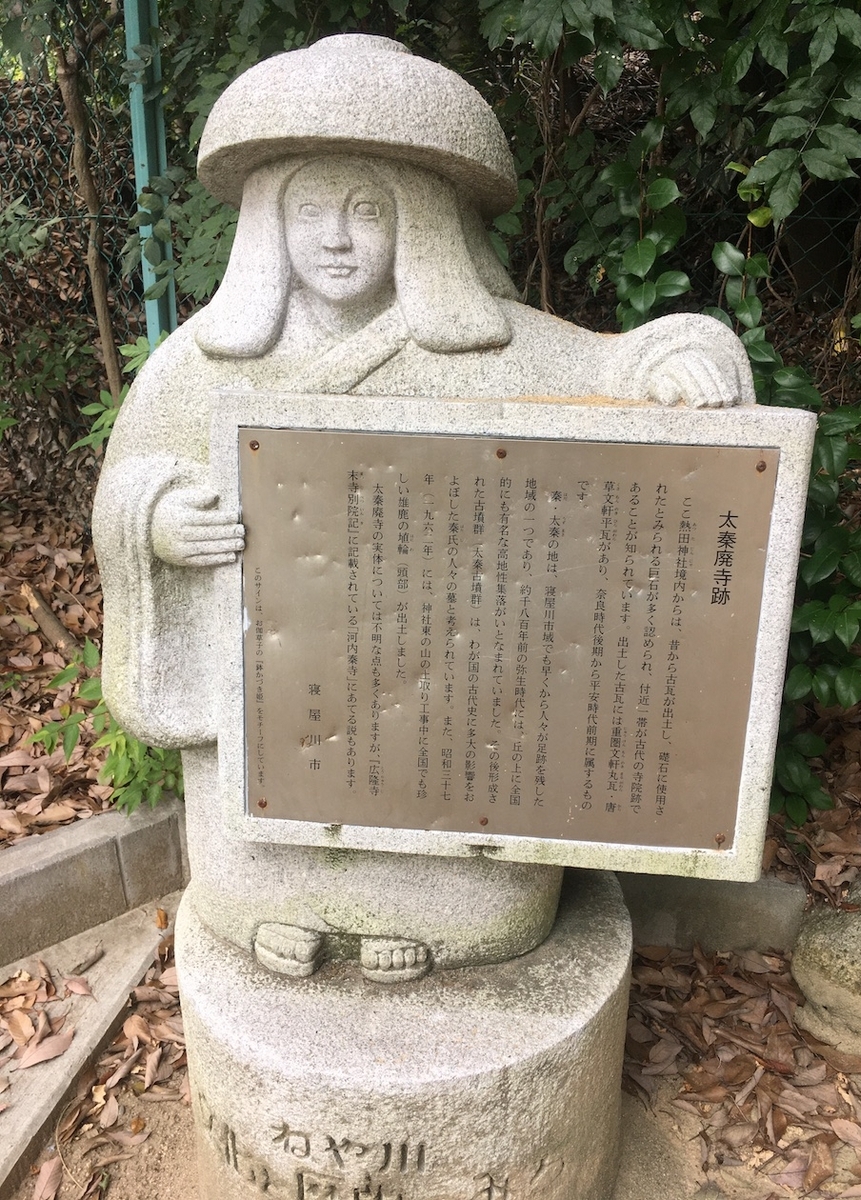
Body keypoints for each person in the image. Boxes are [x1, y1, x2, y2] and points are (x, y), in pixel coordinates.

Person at [94, 33, 755, 983]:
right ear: (265, 224)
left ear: (422, 221)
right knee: (263, 809)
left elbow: (615, 366)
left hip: (451, 693)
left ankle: (434, 912)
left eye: (368, 209)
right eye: (310, 208)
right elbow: (129, 477)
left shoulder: (486, 349)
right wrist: (155, 518)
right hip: (285, 685)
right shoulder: (204, 363)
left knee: (463, 789)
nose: (335, 236)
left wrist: (676, 362)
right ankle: (285, 904)